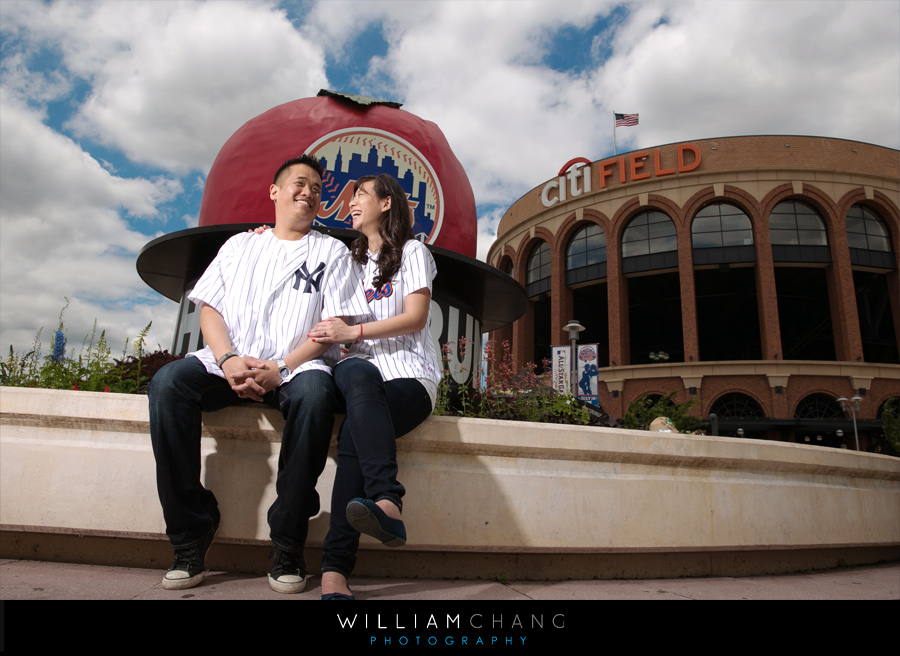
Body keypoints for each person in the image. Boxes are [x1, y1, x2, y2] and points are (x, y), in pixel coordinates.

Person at [148, 154, 368, 594]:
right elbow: (209, 308)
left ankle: (287, 539)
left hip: (295, 365)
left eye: (316, 189)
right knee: (168, 385)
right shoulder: (239, 245)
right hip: (229, 360)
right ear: (275, 191)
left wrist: (282, 366)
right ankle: (191, 532)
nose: (308, 192)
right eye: (299, 183)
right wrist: (228, 359)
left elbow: (331, 327)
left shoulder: (332, 251)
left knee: (315, 396)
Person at [308, 174, 440, 600]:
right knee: (358, 372)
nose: (352, 203)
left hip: (411, 377)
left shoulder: (413, 251)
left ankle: (334, 571)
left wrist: (355, 330)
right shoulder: (347, 263)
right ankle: (386, 500)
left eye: (361, 194)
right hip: (358, 370)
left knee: (352, 432)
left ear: (386, 204)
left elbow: (416, 317)